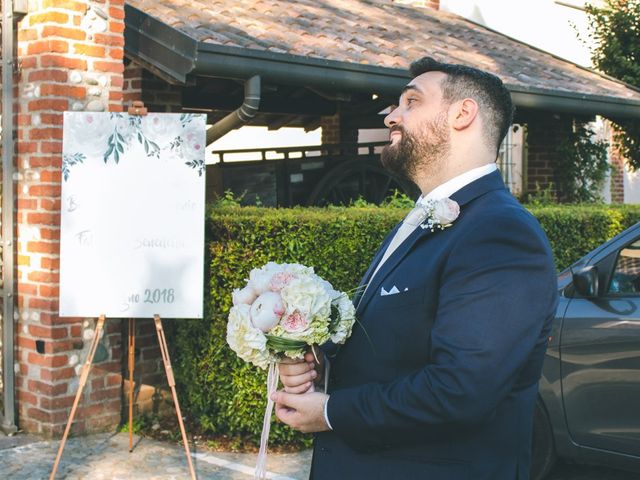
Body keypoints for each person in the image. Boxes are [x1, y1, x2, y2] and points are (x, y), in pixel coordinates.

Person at [271, 57, 558, 480]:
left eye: (411, 101)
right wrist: (317, 361)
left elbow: (460, 391)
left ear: (463, 113)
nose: (391, 115)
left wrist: (331, 412)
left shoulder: (501, 232)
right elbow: (393, 349)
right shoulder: (425, 218)